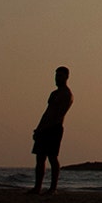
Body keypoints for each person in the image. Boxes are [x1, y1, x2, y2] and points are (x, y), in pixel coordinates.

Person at [30, 66, 72, 194]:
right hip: (44, 128)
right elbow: (47, 112)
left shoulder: (66, 94)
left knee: (52, 157)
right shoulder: (54, 93)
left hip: (54, 128)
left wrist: (47, 126)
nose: (57, 79)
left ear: (66, 77)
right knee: (40, 158)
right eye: (56, 76)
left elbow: (57, 114)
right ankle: (38, 187)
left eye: (60, 76)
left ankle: (53, 188)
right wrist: (39, 128)